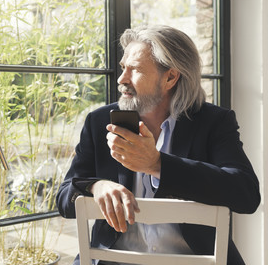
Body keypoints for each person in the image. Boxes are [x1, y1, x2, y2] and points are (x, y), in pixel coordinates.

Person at [56, 25, 260, 265]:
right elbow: (64, 199)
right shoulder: (100, 121)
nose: (122, 79)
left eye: (135, 70)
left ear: (171, 77)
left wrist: (157, 165)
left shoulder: (214, 122)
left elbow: (246, 194)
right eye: (123, 68)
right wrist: (96, 187)